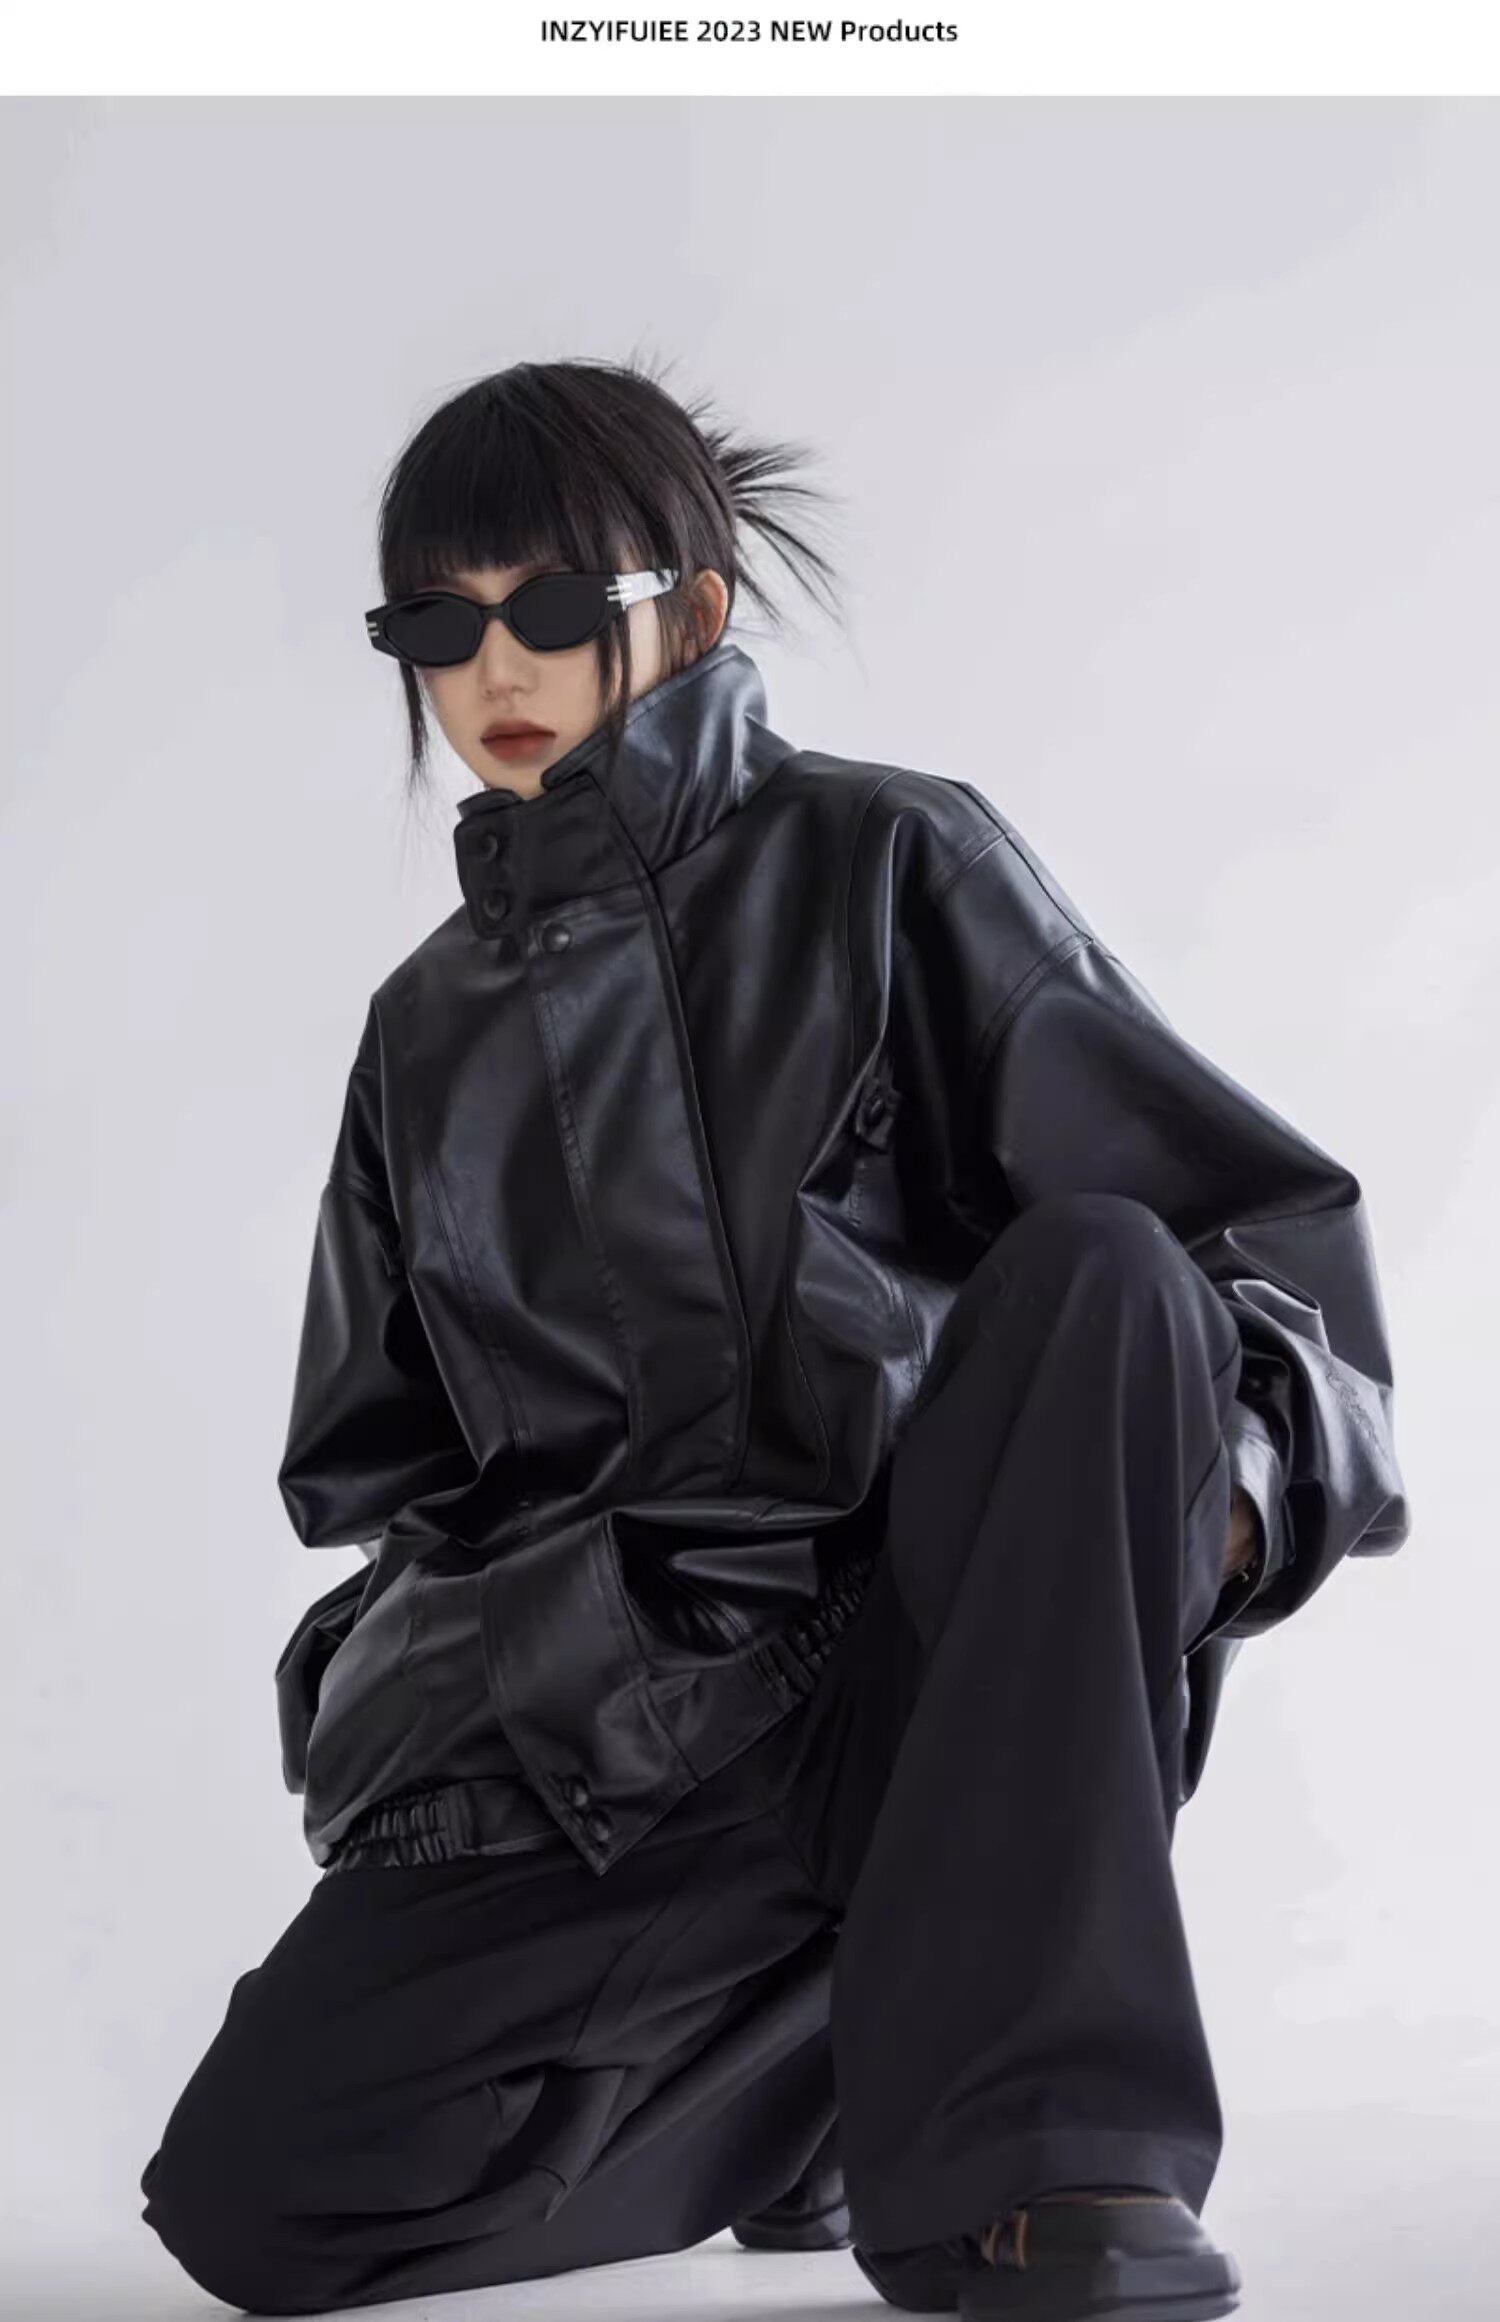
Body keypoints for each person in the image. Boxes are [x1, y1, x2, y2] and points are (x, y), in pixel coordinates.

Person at [138, 355, 1410, 2321]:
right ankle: (827, 2084)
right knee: (256, 2207)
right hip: (637, 1739)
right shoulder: (420, 1036)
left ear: (696, 610)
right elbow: (378, 1478)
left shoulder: (892, 861)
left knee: (1099, 1270)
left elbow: (1252, 1239)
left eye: (555, 605)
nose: (496, 663)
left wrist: (1213, 1509)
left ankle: (1049, 2152)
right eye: (438, 626)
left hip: (941, 1659)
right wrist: (466, 1740)